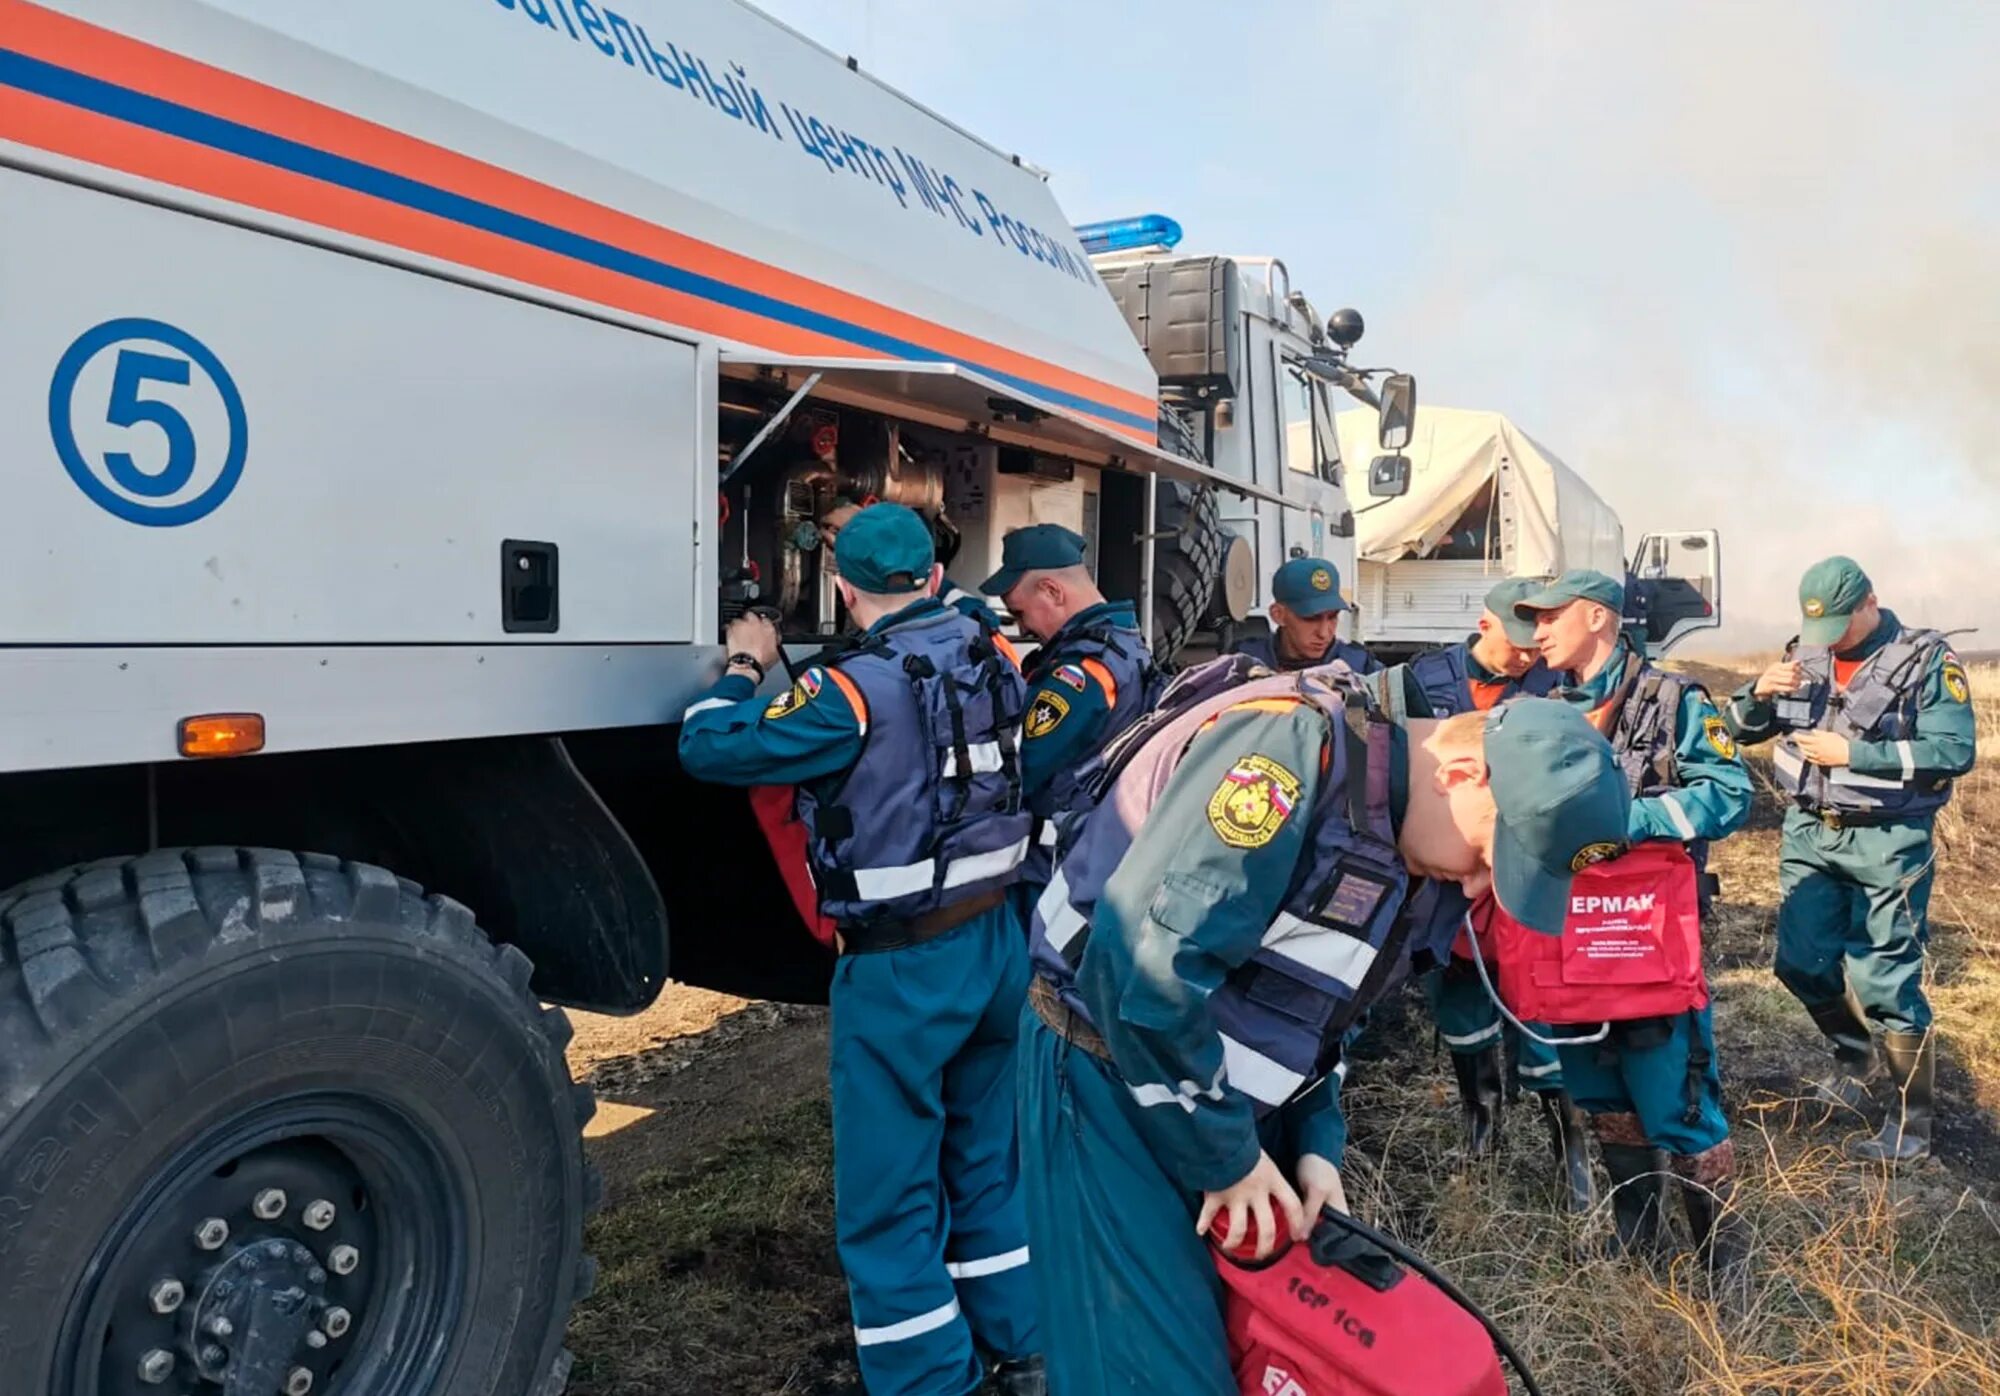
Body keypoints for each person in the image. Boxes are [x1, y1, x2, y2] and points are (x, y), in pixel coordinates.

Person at [1017, 654, 1631, 1393]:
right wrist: (1227, 1161)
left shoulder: (1414, 838)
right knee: (1142, 1369)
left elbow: (1322, 1009)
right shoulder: (1283, 756)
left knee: (1249, 1353)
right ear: (1463, 773)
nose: (1476, 886)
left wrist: (1317, 1142)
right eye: (1487, 857)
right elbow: (1143, 968)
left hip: (1218, 1101)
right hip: (1107, 1078)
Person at [680, 504, 1044, 1396]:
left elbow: (709, 748)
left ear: (842, 589)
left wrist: (744, 665)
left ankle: (927, 1379)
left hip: (902, 971)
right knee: (986, 1161)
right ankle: (1025, 1347)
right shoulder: (990, 650)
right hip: (996, 945)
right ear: (929, 577)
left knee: (887, 1198)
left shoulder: (847, 691)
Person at [1514, 569, 1753, 1272]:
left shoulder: (1675, 699)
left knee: (1674, 1095)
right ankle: (1637, 1241)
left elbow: (1730, 795)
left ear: (1596, 617)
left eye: (1552, 617)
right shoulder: (1544, 710)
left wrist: (1630, 820)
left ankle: (1722, 1267)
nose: (1539, 631)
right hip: (1570, 941)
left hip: (1648, 940)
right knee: (1597, 1085)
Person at [1721, 556, 1977, 1164]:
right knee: (1799, 963)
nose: (1828, 638)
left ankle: (1911, 1127)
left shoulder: (1926, 662)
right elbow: (1739, 729)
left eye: (1840, 623)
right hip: (1809, 830)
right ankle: (1853, 1055)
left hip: (1889, 838)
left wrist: (1856, 754)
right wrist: (1757, 694)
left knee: (1885, 979)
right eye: (1820, 626)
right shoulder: (1802, 654)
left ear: (1870, 602)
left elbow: (1955, 749)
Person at [1381, 578, 1588, 1208]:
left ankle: (1570, 1156)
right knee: (1461, 1001)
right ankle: (1481, 1136)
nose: (1529, 656)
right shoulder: (1420, 681)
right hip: (1448, 873)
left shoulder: (1557, 685)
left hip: (1517, 870)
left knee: (1542, 1009)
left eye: (1537, 646)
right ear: (1484, 624)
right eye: (1517, 643)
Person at [978, 524, 1159, 902]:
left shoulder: (1079, 673)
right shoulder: (1125, 642)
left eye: (1020, 613)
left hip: (1057, 873)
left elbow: (1021, 766)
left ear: (1052, 591)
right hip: (1091, 858)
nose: (1024, 627)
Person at [1232, 557, 1382, 674]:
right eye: (1311, 619)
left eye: (1332, 617)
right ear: (1278, 615)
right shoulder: (1241, 664)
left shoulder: (1359, 665)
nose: (1324, 633)